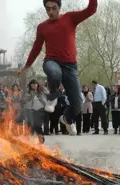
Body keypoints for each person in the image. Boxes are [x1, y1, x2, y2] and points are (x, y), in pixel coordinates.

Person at [18, 0, 98, 135]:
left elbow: (91, 10)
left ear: (59, 8)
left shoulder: (70, 18)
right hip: (51, 62)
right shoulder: (42, 27)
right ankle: (53, 97)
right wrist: (26, 67)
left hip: (70, 67)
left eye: (54, 8)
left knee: (78, 103)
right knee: (54, 73)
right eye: (48, 9)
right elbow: (36, 48)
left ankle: (67, 118)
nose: (51, 12)